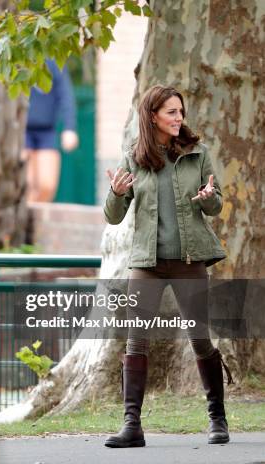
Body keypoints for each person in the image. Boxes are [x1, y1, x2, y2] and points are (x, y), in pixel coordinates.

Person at [102, 85, 232, 448]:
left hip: (189, 262)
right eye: (171, 112)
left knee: (200, 339)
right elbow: (114, 218)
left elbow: (216, 205)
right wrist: (114, 193)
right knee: (136, 340)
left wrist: (209, 198)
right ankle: (132, 425)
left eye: (180, 112)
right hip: (147, 263)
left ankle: (217, 419)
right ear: (153, 115)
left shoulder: (197, 154)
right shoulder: (134, 158)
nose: (179, 118)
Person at [21, 59, 79, 203]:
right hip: (21, 132)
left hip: (46, 131)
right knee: (26, 184)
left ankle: (33, 220)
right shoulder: (16, 55)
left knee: (47, 185)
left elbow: (65, 95)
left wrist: (69, 128)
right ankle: (23, 221)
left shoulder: (52, 60)